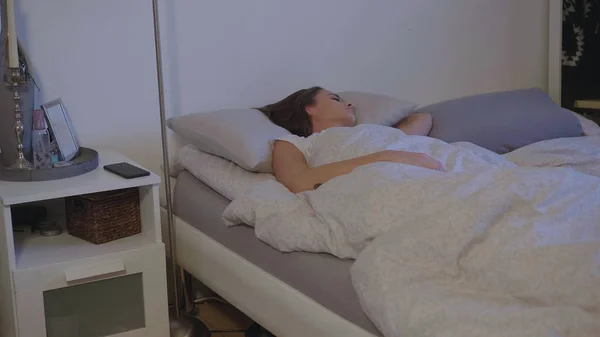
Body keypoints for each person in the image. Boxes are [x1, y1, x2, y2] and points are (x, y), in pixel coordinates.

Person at [258, 86, 443, 193]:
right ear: (309, 108)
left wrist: (384, 141)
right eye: (335, 99)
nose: (350, 104)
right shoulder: (295, 143)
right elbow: (298, 182)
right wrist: (385, 156)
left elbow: (423, 118)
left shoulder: (370, 133)